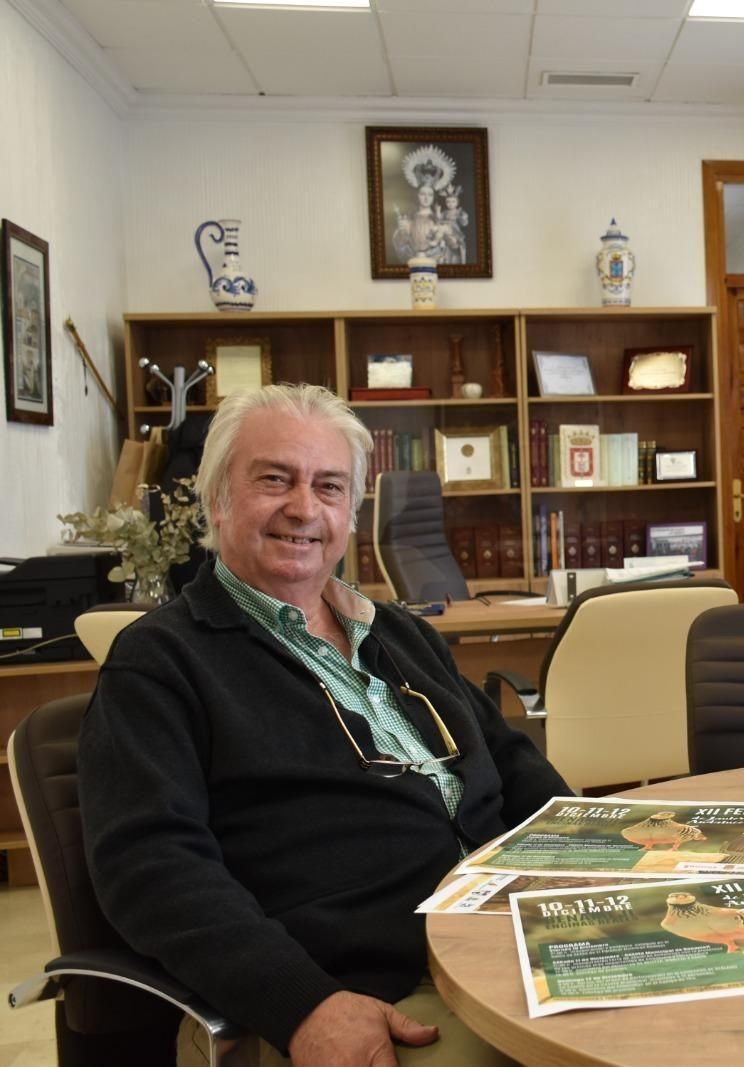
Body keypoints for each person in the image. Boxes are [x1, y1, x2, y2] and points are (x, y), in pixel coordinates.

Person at [79, 384, 569, 1065]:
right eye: (274, 479)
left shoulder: (397, 631)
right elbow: (153, 870)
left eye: (329, 486)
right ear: (217, 500)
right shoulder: (161, 663)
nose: (304, 508)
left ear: (351, 512)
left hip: (513, 942)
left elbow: (511, 761)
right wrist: (302, 1004)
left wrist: (600, 864)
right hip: (373, 988)